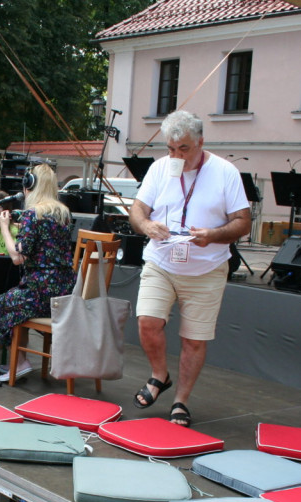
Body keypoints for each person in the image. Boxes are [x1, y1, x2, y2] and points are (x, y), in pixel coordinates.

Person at [129, 110, 251, 427]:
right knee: (147, 322)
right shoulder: (160, 169)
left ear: (200, 142)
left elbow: (243, 222)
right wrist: (147, 226)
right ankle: (160, 375)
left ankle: (180, 400)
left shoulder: (225, 172)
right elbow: (137, 211)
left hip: (206, 269)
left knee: (194, 340)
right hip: (161, 262)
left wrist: (213, 236)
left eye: (183, 149)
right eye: (171, 149)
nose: (176, 156)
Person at [0, 164, 76, 382]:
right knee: (17, 306)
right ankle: (19, 360)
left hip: (41, 292)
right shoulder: (63, 214)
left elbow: (18, 257)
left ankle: (19, 362)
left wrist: (5, 228)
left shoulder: (32, 214)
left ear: (30, 185)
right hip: (64, 293)